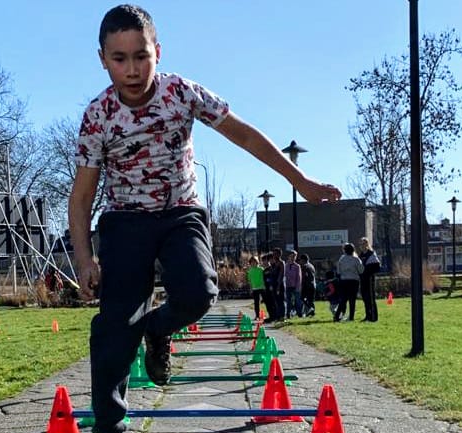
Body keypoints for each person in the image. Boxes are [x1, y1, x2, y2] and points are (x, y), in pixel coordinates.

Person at [67, 5, 341, 432]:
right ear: (102, 58)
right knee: (115, 326)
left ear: (159, 50)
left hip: (181, 213)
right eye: (119, 59)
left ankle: (157, 330)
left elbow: (244, 134)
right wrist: (84, 259)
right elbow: (82, 195)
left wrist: (300, 180)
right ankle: (110, 424)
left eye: (142, 56)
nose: (132, 70)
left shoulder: (182, 93)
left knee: (200, 293)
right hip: (124, 220)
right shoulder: (98, 116)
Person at [334, 242, 363, 322]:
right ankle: (351, 317)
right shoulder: (356, 259)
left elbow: (338, 271)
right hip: (354, 281)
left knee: (343, 299)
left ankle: (337, 316)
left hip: (344, 281)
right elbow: (361, 270)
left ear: (345, 250)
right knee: (352, 300)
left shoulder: (342, 259)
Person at [358, 237, 381, 322]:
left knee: (370, 298)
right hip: (363, 279)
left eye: (363, 244)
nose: (361, 246)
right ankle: (368, 315)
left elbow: (377, 267)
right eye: (360, 244)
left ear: (367, 244)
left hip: (370, 278)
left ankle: (374, 317)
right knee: (365, 297)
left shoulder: (371, 254)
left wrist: (367, 270)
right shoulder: (361, 255)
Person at [283, 250, 302, 318]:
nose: (293, 257)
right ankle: (288, 313)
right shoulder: (286, 266)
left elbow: (299, 277)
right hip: (288, 286)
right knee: (289, 301)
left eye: (295, 256)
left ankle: (299, 313)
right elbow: (284, 276)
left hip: (295, 286)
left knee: (297, 300)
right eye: (292, 256)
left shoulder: (297, 266)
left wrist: (298, 287)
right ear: (288, 257)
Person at [246, 256, 265, 320]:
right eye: (252, 262)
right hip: (255, 288)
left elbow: (264, 278)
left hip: (262, 287)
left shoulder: (261, 269)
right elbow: (250, 281)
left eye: (254, 262)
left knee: (266, 301)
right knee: (256, 303)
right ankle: (257, 315)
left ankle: (269, 314)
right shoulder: (250, 271)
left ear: (257, 262)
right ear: (250, 263)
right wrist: (251, 288)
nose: (253, 263)